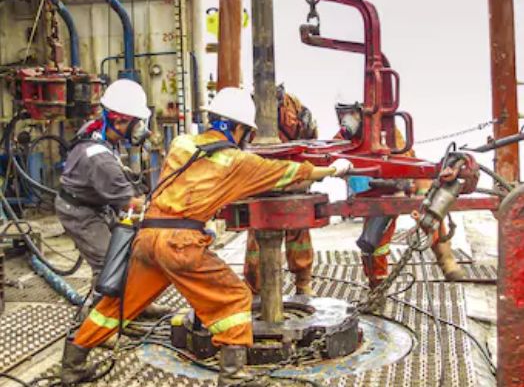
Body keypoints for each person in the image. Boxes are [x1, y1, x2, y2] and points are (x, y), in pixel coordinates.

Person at [60, 87, 354, 386]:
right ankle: (234, 375)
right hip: (180, 245)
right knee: (235, 298)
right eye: (246, 134)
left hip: (147, 238)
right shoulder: (239, 163)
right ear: (238, 128)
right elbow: (290, 172)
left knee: (118, 304)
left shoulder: (181, 143)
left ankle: (72, 363)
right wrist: (332, 169)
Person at [55, 79, 170, 318]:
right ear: (119, 120)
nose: (142, 129)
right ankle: (96, 325)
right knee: (109, 263)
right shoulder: (101, 160)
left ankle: (136, 304)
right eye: (138, 124)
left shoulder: (98, 130)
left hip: (96, 202)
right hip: (79, 211)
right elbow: (132, 204)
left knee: (132, 253)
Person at [334, 101, 465, 289]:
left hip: (403, 180)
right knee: (373, 239)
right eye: (343, 115)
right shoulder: (342, 138)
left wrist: (404, 184)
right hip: (375, 191)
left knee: (432, 209)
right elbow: (334, 164)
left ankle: (447, 261)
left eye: (351, 114)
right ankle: (377, 284)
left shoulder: (386, 130)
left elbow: (407, 157)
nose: (346, 120)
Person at [244, 83, 318, 296]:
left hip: (292, 178)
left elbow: (311, 139)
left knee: (299, 232)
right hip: (262, 182)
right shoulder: (248, 112)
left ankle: (303, 283)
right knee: (256, 238)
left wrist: (310, 172)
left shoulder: (295, 108)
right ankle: (255, 290)